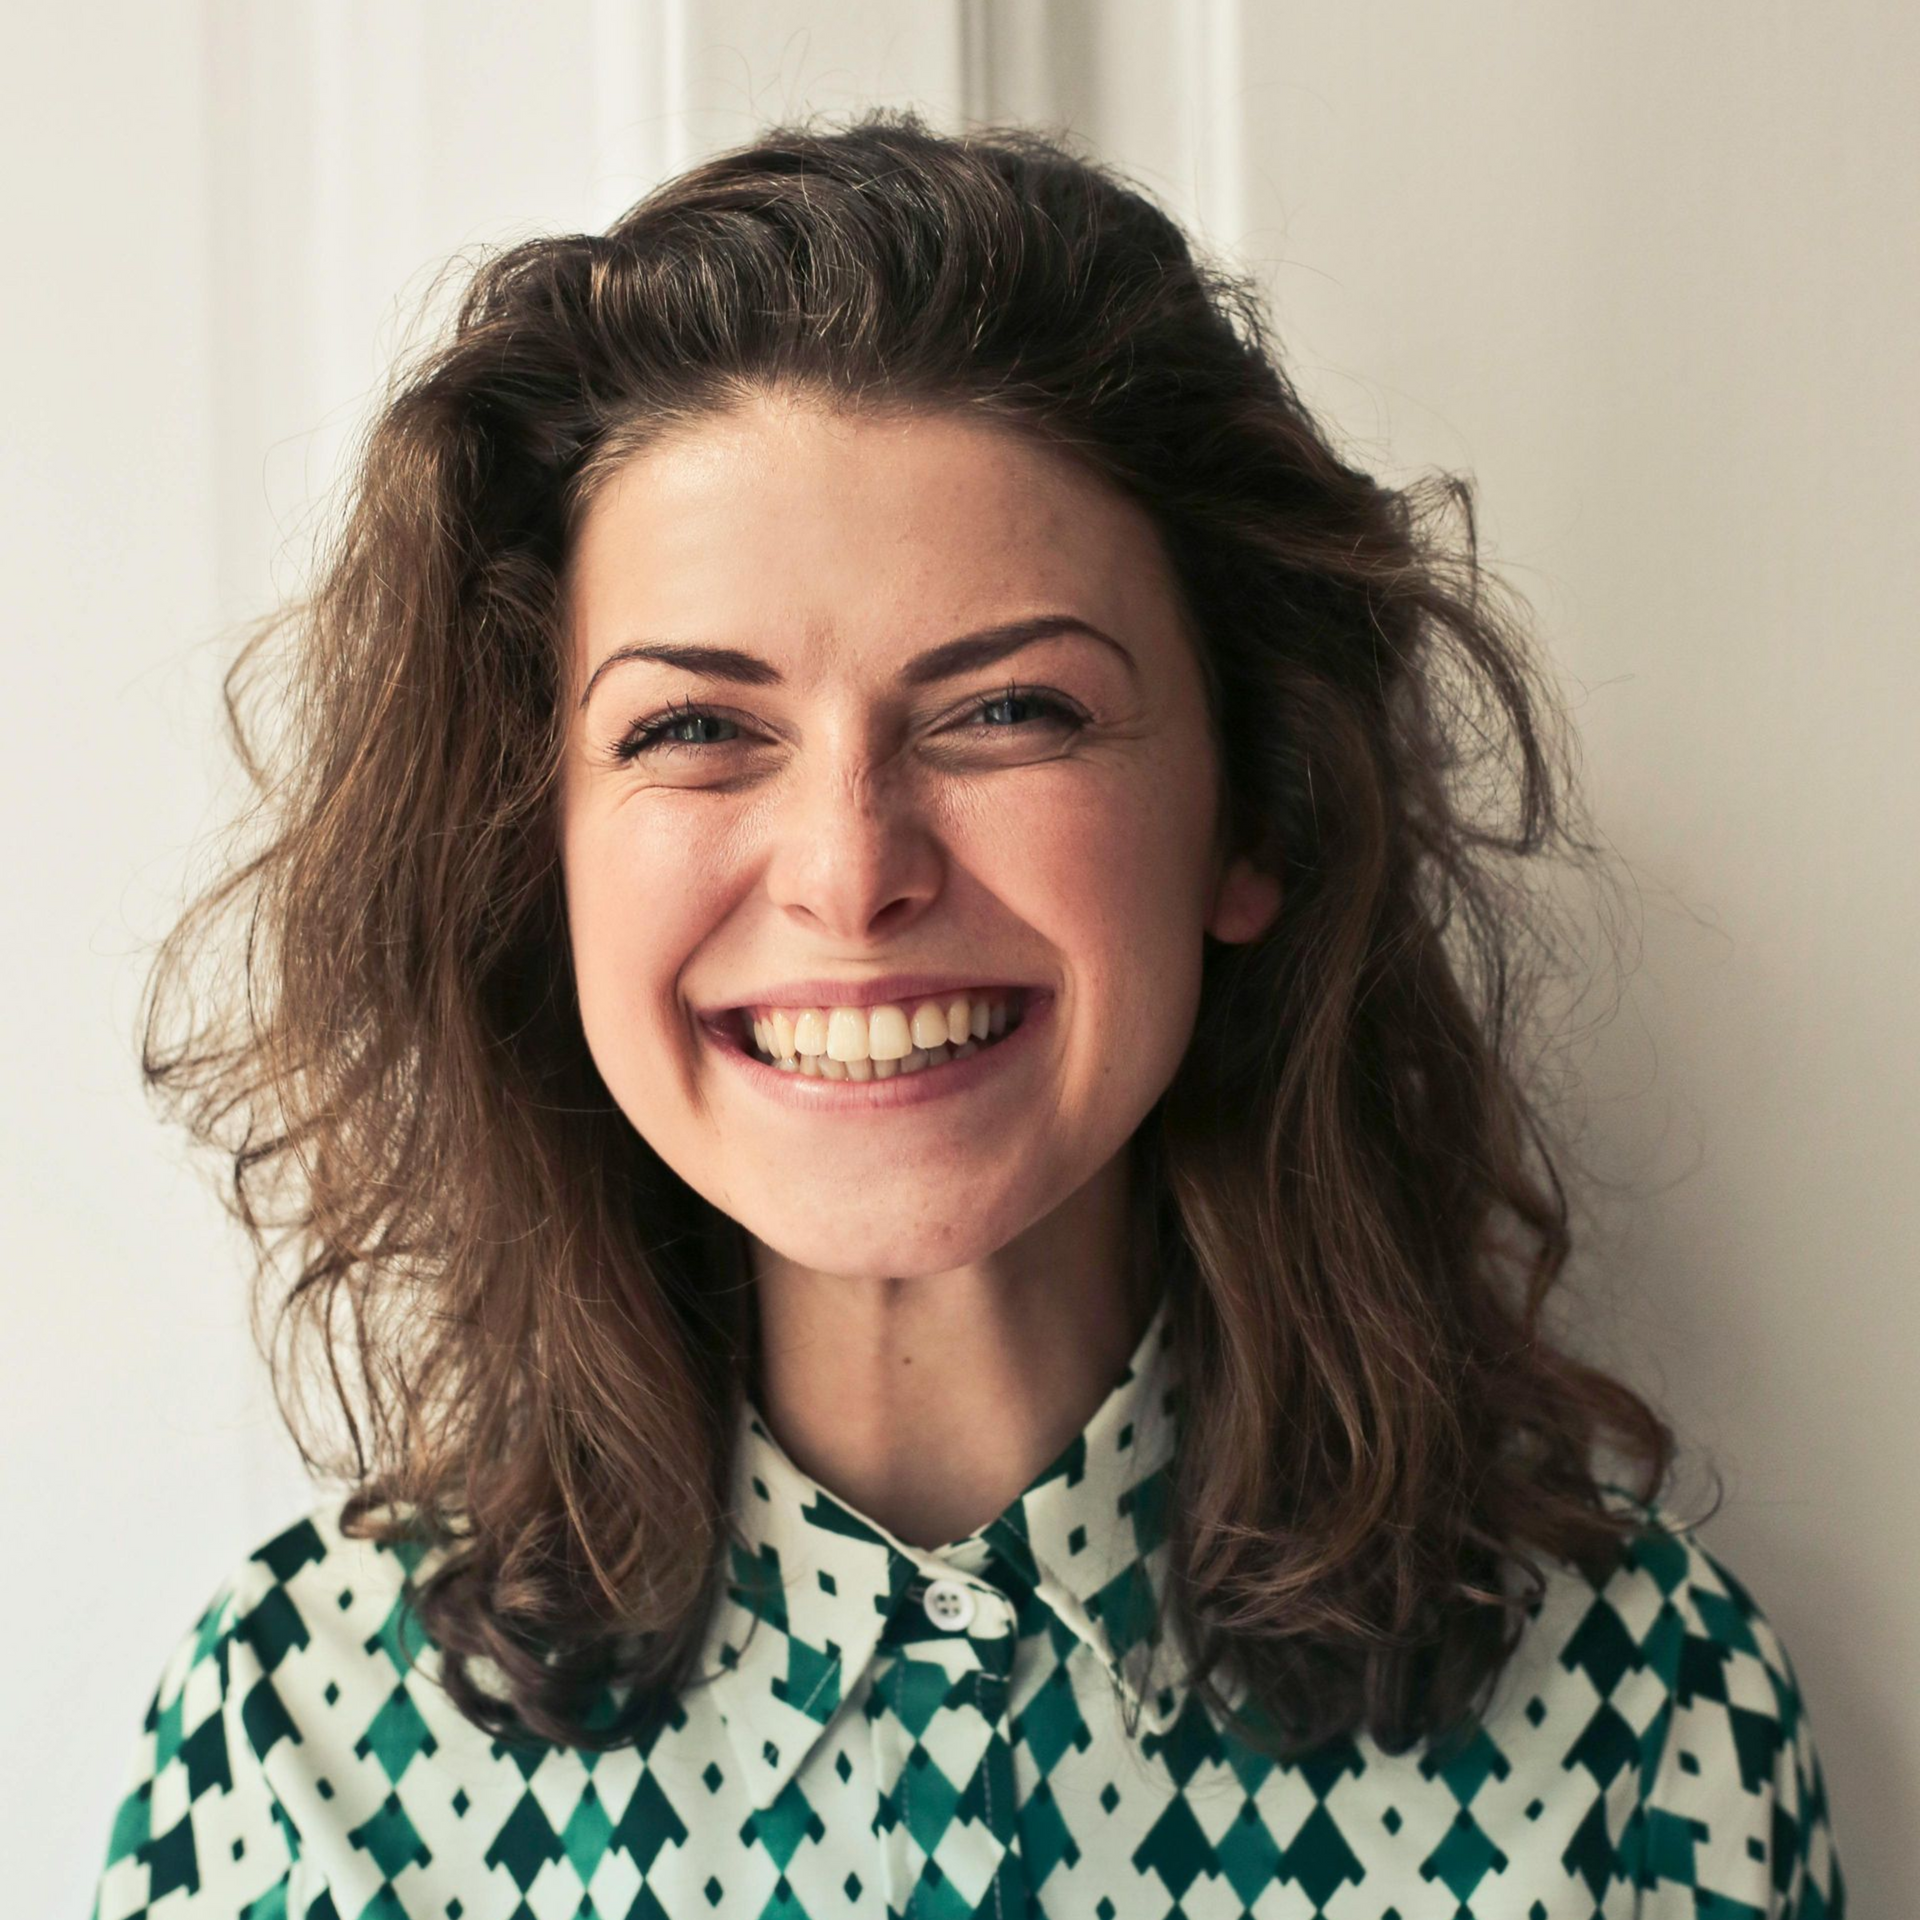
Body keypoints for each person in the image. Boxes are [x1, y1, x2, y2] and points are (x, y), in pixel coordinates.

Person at [91, 108, 1845, 1918]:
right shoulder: (295, 1744)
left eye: (1010, 712)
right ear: (539, 861)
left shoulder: (1641, 1726)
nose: (852, 873)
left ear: (1258, 814)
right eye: (696, 729)